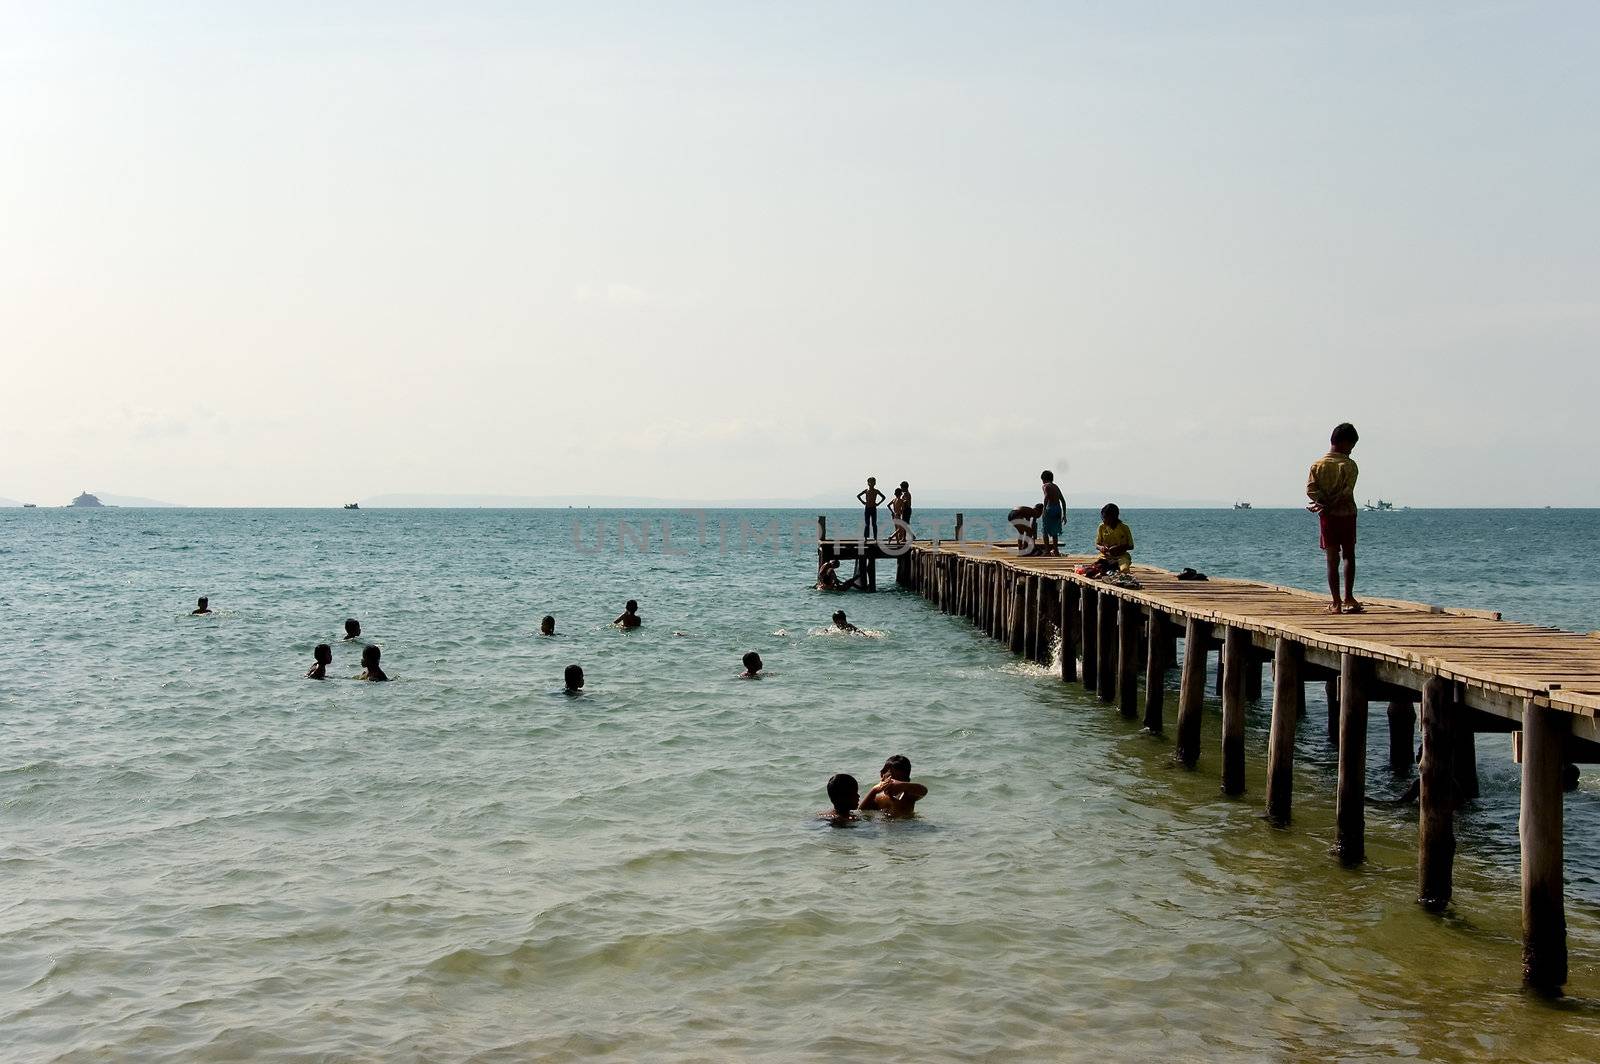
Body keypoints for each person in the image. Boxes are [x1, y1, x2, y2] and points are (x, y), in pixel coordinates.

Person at [1306, 423, 1362, 614]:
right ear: (1345, 443)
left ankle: (1336, 603)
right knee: (1348, 555)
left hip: (1327, 517)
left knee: (1331, 558)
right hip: (1347, 514)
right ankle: (1349, 597)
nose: (1351, 451)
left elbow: (1311, 490)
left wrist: (1322, 502)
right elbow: (1347, 492)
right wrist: (1332, 503)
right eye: (1351, 447)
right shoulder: (1349, 465)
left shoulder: (1317, 465)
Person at [859, 755, 927, 816]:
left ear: (907, 781)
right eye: (892, 778)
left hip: (906, 826)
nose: (894, 783)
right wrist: (873, 790)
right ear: (882, 775)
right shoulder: (879, 798)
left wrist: (902, 785)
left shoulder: (908, 796)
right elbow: (862, 811)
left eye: (899, 780)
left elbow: (923, 791)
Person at [1091, 504, 1134, 575]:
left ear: (1114, 517)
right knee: (1095, 569)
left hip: (1122, 556)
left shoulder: (1124, 528)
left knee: (1124, 569)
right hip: (1105, 557)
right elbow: (1097, 544)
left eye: (1106, 518)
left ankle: (1115, 569)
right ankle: (1110, 569)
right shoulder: (1101, 527)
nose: (1104, 520)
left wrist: (1118, 548)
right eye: (1103, 518)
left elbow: (1131, 546)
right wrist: (1101, 548)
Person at [1040, 470, 1066, 556]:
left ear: (1044, 479)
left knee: (1045, 531)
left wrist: (1044, 510)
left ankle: (1047, 551)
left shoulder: (1045, 486)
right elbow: (1063, 501)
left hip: (1050, 509)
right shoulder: (1056, 486)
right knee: (1055, 532)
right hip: (1058, 509)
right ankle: (1056, 551)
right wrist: (1064, 515)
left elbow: (1046, 497)